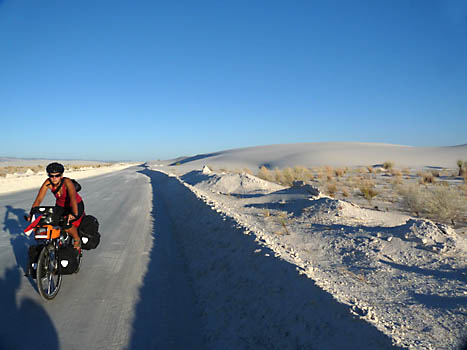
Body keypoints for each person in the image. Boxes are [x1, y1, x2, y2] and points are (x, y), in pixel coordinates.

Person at [28, 162, 84, 252]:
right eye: (51, 176)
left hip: (75, 205)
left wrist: (74, 213)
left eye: (57, 176)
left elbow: (73, 198)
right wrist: (31, 213)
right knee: (50, 221)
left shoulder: (67, 182)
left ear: (61, 175)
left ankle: (77, 239)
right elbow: (39, 199)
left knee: (66, 223)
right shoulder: (47, 183)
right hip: (60, 206)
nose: (54, 178)